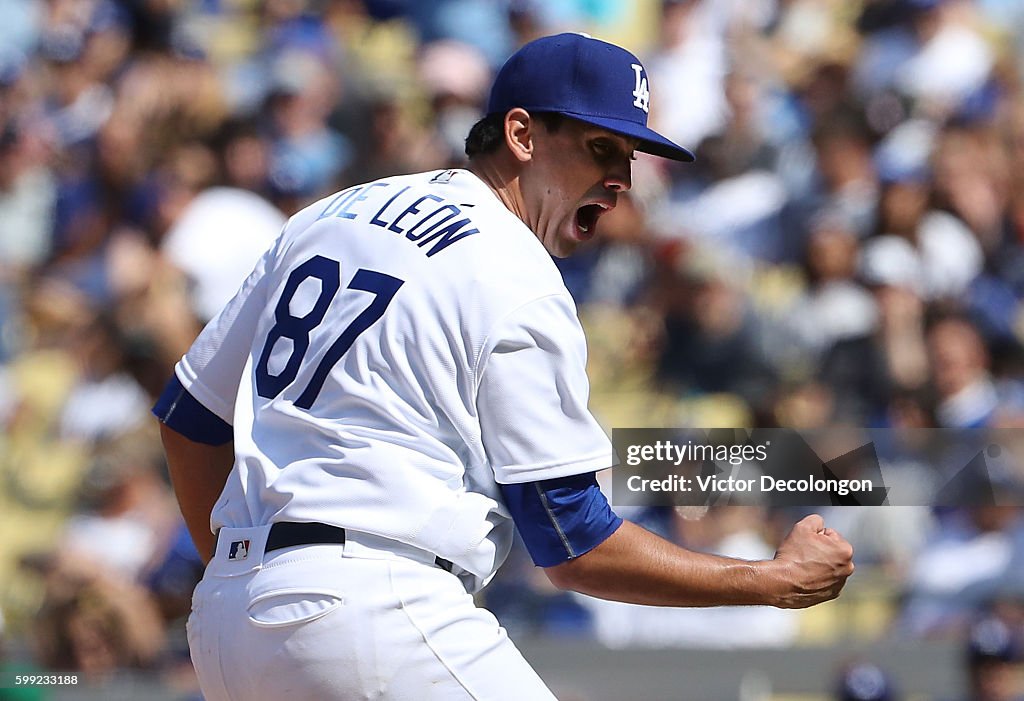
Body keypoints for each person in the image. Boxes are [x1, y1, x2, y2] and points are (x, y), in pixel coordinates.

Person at [154, 33, 855, 701]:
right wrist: (769, 578)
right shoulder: (514, 266)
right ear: (521, 135)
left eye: (629, 158)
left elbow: (188, 417)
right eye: (599, 147)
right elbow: (572, 541)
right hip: (375, 602)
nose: (619, 180)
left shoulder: (331, 215)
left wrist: (252, 570)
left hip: (227, 621)